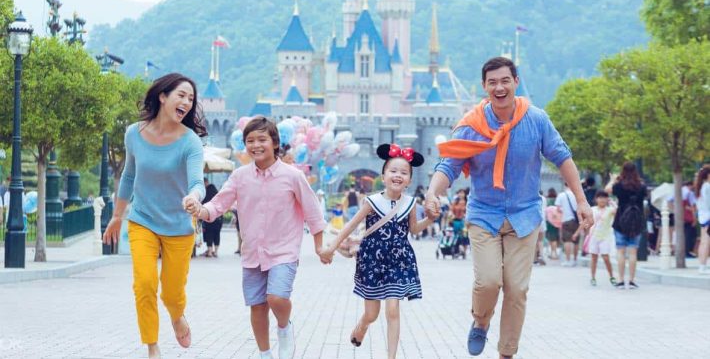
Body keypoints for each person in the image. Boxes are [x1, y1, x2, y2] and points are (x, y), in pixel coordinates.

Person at [424, 57, 592, 359]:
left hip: (524, 217)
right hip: (484, 215)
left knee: (516, 289)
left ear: (515, 81)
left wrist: (581, 200)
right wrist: (432, 193)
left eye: (505, 80)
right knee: (489, 282)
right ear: (484, 86)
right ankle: (481, 320)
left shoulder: (536, 120)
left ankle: (506, 353)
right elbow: (448, 164)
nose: (499, 87)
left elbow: (563, 157)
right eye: (492, 82)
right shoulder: (472, 124)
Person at [189, 116, 326, 359]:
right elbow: (218, 205)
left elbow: (313, 211)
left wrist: (319, 246)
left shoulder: (292, 176)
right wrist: (200, 210)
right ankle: (265, 354)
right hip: (252, 253)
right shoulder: (240, 176)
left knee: (276, 297)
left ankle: (284, 328)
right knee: (257, 305)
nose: (255, 145)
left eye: (262, 139)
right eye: (249, 140)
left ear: (275, 143)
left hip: (283, 251)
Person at [102, 73, 206, 359]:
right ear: (163, 96)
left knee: (172, 294)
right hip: (143, 220)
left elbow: (197, 182)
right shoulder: (134, 133)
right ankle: (152, 346)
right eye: (181, 95)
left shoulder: (190, 142)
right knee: (145, 284)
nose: (186, 101)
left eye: (191, 98)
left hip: (179, 224)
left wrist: (193, 197)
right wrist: (117, 215)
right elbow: (129, 175)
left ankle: (176, 315)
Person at [320, 143, 436, 359]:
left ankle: (391, 356)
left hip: (400, 260)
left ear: (409, 179)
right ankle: (363, 325)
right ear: (383, 176)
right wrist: (331, 248)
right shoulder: (373, 202)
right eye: (393, 171)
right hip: (373, 261)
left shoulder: (410, 203)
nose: (398, 175)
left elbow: (413, 229)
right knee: (372, 314)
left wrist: (429, 219)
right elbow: (351, 225)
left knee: (393, 309)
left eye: (404, 172)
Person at [607, 161, 647, 290]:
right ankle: (631, 280)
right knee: (633, 252)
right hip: (636, 222)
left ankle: (620, 280)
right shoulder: (641, 185)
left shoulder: (619, 185)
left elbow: (607, 190)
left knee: (621, 251)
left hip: (620, 221)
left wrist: (613, 179)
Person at [587, 190, 616, 286]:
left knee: (606, 258)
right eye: (600, 197)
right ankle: (592, 277)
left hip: (605, 237)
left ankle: (611, 276)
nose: (602, 200)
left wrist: (612, 203)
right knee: (594, 258)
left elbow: (617, 211)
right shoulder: (592, 209)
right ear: (596, 199)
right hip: (594, 236)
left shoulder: (610, 210)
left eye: (604, 197)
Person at [555, 183, 582, 267]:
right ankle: (575, 260)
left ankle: (567, 260)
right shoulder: (578, 195)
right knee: (576, 241)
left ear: (565, 185)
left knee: (567, 241)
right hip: (577, 220)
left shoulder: (562, 195)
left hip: (566, 220)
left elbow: (558, 209)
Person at [694, 165, 710, 274]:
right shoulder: (707, 187)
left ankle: (702, 265)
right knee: (706, 242)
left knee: (703, 242)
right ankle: (703, 266)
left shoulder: (701, 187)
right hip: (708, 216)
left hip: (703, 216)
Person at [200, 178, 220, 257]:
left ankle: (210, 252)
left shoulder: (206, 192)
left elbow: (203, 203)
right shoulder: (215, 190)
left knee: (209, 233)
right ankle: (216, 251)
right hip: (219, 217)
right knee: (217, 234)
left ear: (206, 182)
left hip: (209, 215)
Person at [544, 188, 560, 259]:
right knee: (555, 238)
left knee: (551, 238)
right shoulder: (557, 199)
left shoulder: (547, 200)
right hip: (557, 221)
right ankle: (554, 253)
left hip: (549, 222)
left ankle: (553, 253)